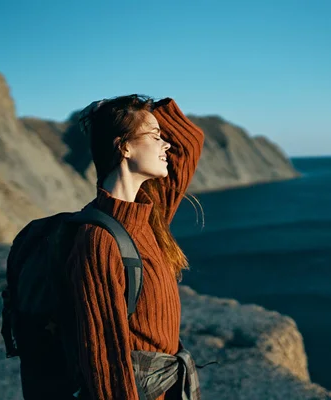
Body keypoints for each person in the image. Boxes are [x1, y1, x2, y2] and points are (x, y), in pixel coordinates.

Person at [64, 94, 205, 400]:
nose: (166, 144)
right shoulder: (98, 240)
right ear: (125, 147)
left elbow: (189, 143)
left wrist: (146, 110)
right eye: (155, 137)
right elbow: (104, 365)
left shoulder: (149, 215)